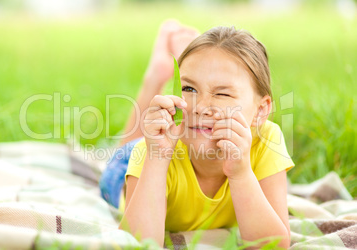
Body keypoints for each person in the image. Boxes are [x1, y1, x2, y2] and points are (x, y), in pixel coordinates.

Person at [100, 20, 294, 249]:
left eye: (222, 93)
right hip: (140, 160)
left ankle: (190, 66)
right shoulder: (152, 150)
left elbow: (273, 245)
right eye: (189, 89)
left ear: (260, 111)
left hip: (180, 140)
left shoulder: (266, 140)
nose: (201, 106)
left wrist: (241, 172)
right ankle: (157, 75)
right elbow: (139, 243)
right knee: (129, 147)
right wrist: (157, 157)